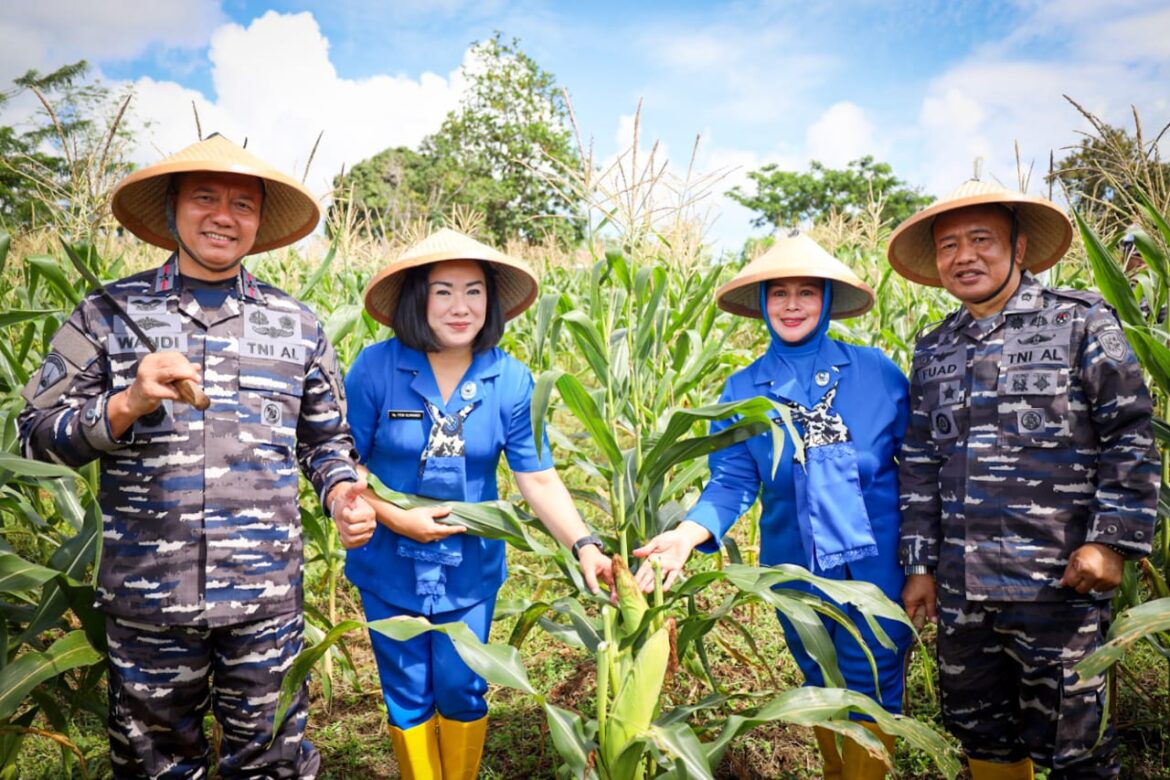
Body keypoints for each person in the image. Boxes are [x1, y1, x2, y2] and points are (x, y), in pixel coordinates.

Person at [18, 133, 375, 779]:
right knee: (155, 767)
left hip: (265, 600)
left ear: (259, 221)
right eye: (205, 197)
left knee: (272, 763)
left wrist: (343, 489)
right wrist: (125, 404)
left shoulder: (298, 326)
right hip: (149, 598)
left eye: (243, 203)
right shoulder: (107, 314)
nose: (223, 215)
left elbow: (325, 443)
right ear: (173, 210)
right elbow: (31, 438)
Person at [888, 178, 1158, 779]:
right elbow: (921, 462)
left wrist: (1110, 541)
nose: (964, 256)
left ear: (1019, 248)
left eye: (981, 239)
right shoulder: (933, 348)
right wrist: (920, 566)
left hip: (1058, 587)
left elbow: (1131, 434)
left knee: (1076, 749)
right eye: (949, 245)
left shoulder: (1080, 321)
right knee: (982, 738)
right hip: (961, 593)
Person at [335, 227, 612, 780]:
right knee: (407, 686)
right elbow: (346, 461)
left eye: (474, 291)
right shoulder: (375, 367)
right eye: (443, 291)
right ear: (418, 298)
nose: (460, 307)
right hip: (388, 562)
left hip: (470, 568)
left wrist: (585, 544)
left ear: (491, 301)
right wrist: (396, 518)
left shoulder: (510, 379)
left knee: (464, 684)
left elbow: (536, 478)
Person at [632, 231, 912, 779]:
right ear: (761, 303)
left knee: (874, 674)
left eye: (806, 292)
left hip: (878, 561)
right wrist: (687, 534)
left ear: (828, 300)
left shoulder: (876, 372)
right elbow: (733, 480)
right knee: (818, 675)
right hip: (793, 562)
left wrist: (924, 565)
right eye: (778, 292)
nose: (791, 304)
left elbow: (921, 468)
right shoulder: (743, 388)